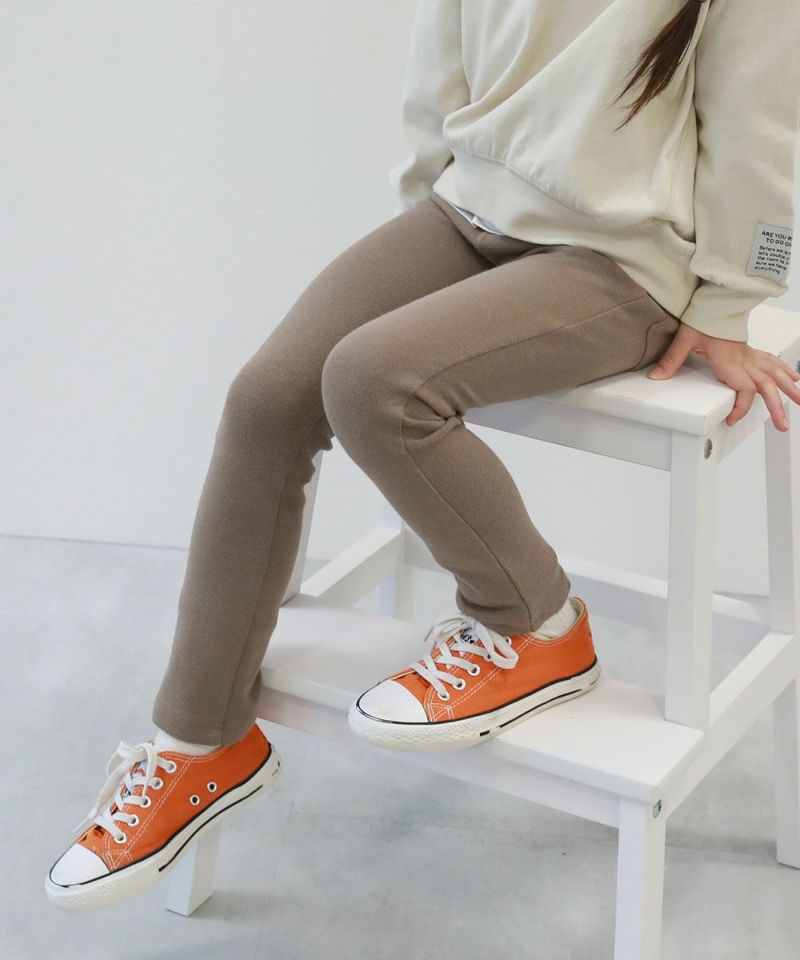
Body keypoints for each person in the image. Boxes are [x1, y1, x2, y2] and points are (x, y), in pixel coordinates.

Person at [47, 0, 800, 911]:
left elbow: (761, 116)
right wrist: (426, 212)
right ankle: (198, 744)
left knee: (376, 380)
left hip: (626, 259)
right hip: (468, 209)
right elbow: (440, 59)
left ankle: (538, 627)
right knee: (266, 399)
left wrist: (733, 299)